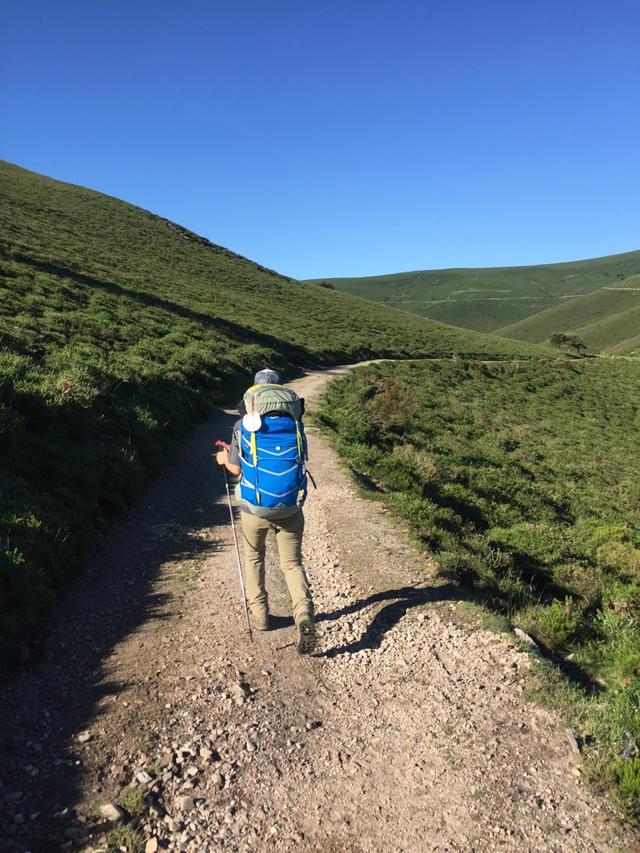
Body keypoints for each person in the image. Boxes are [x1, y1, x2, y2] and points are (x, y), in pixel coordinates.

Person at [216, 369, 316, 654]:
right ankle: (304, 615)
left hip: (254, 509)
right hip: (290, 508)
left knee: (254, 557)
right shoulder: (297, 426)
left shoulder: (242, 426)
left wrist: (224, 457)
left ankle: (260, 616)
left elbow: (235, 468)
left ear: (254, 396)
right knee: (292, 563)